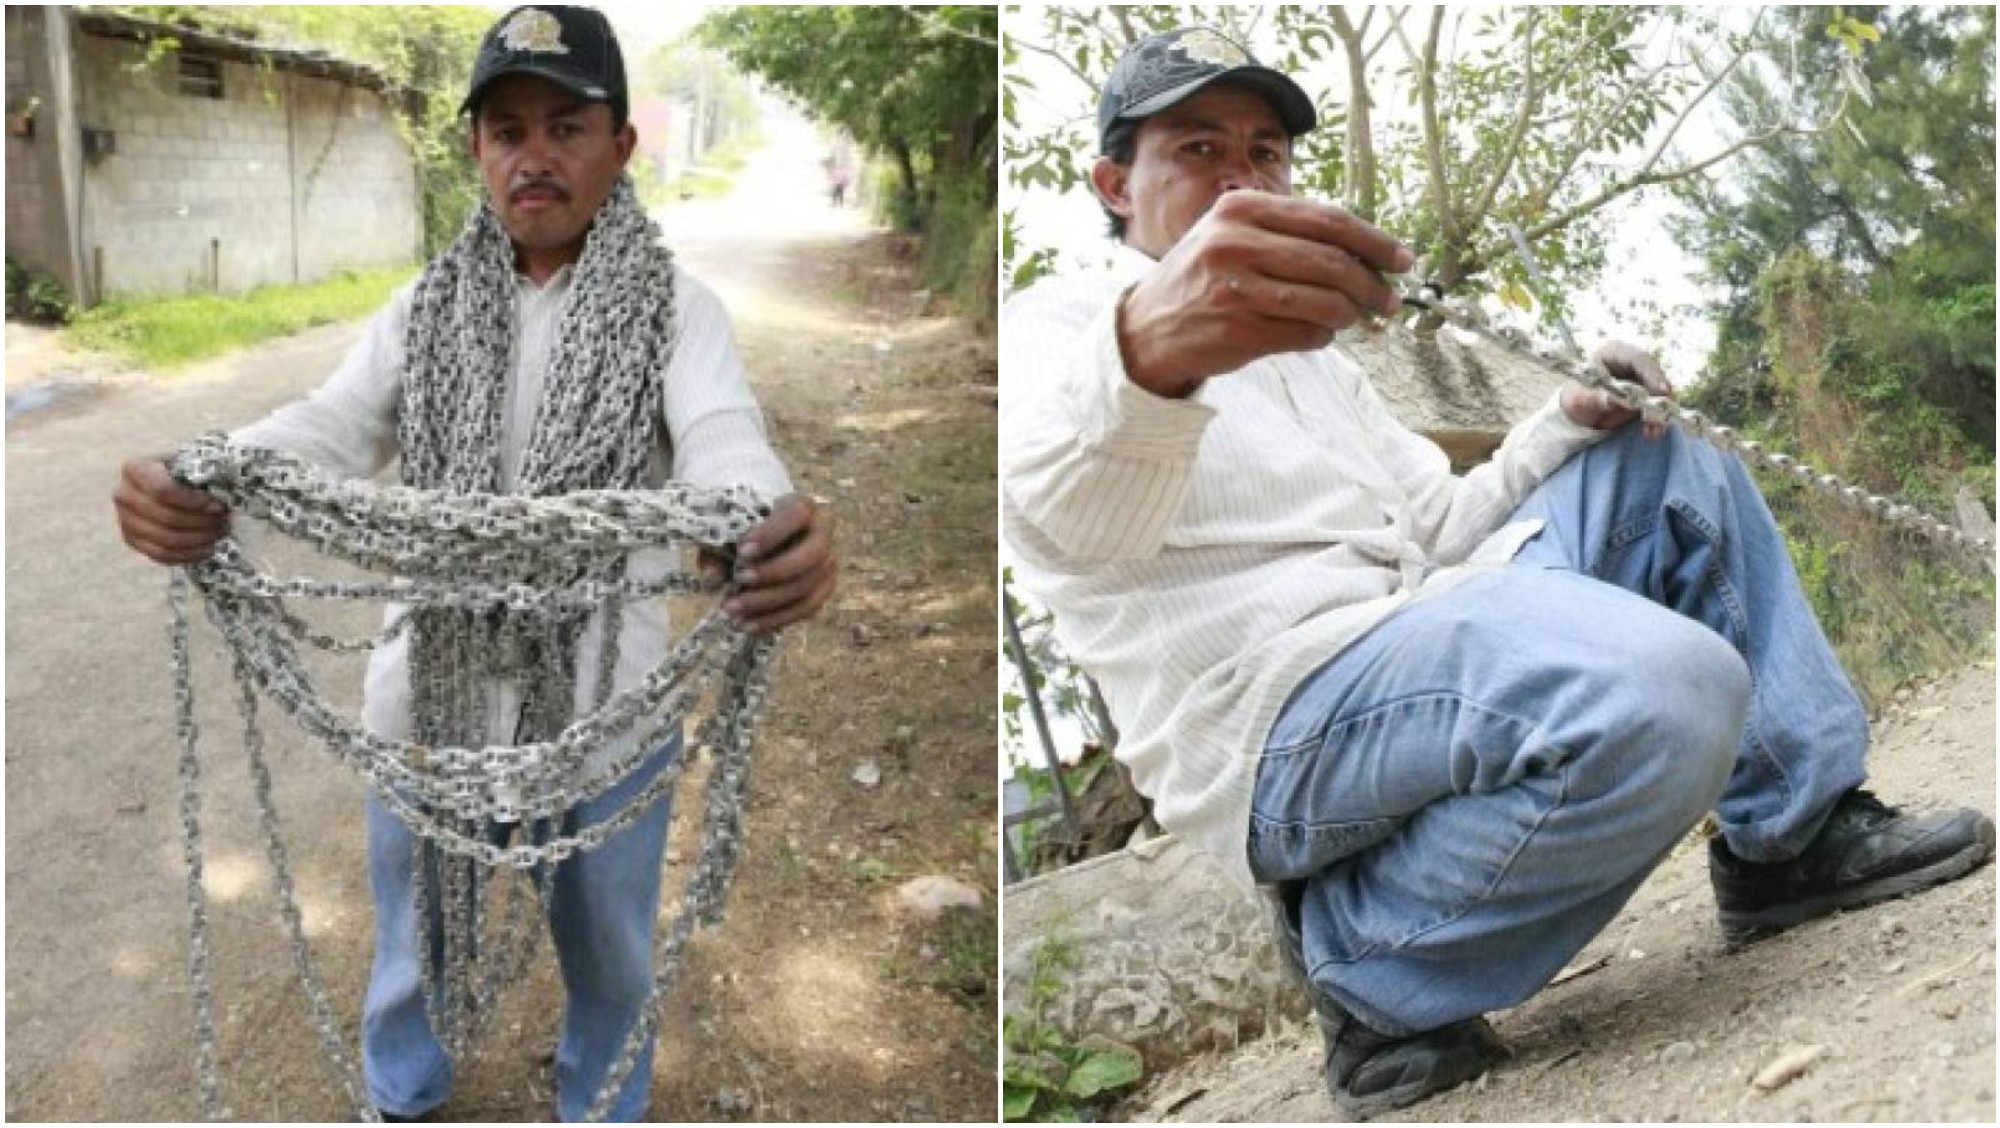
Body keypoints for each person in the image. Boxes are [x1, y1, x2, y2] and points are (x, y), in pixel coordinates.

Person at [1000, 25, 1994, 1117]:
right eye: (1195, 149)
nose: (1241, 176)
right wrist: (1154, 353)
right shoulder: (1055, 328)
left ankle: (1791, 844)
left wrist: (1566, 421)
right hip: (1271, 714)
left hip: (1430, 627)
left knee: (1668, 455)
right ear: (1112, 183)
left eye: (1265, 151)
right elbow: (1067, 530)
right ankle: (1369, 965)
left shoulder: (1313, 357)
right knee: (1666, 687)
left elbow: (1436, 522)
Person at [112, 6, 837, 1121]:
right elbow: (329, 423)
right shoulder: (423, 310)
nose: (533, 157)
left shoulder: (678, 315)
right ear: (476, 151)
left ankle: (601, 1097)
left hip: (606, 722)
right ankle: (402, 1092)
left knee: (611, 953)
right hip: (425, 711)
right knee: (411, 939)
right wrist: (202, 468)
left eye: (565, 126)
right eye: (506, 130)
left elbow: (725, 439)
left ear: (621, 147)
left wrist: (764, 514)